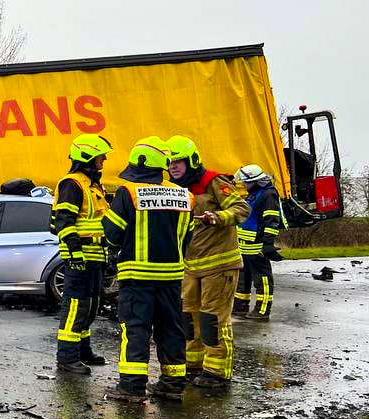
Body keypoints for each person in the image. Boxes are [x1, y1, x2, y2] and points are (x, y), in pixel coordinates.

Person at [102, 136, 191, 402]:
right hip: (172, 276)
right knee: (171, 328)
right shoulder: (184, 195)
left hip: (137, 276)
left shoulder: (128, 192)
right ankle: (173, 383)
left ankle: (132, 387)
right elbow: (188, 236)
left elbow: (112, 234)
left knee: (136, 329)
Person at [165, 136, 249, 388]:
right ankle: (193, 365)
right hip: (191, 266)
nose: (173, 167)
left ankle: (217, 372)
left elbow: (241, 209)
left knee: (213, 319)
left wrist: (219, 217)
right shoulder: (176, 190)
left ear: (191, 161)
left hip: (220, 265)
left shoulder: (214, 181)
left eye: (178, 162)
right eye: (169, 163)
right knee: (189, 319)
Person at [49, 133, 114, 374]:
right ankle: (67, 357)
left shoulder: (93, 185)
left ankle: (83, 349)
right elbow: (63, 221)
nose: (104, 159)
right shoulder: (72, 184)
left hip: (95, 255)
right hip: (80, 256)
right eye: (101, 156)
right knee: (76, 305)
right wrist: (75, 253)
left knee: (91, 304)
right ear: (88, 156)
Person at [234, 164, 285, 321]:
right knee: (243, 278)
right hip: (245, 246)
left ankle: (262, 311)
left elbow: (271, 221)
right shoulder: (254, 194)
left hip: (257, 247)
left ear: (256, 181)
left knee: (262, 279)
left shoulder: (268, 195)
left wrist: (267, 244)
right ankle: (240, 307)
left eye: (247, 182)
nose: (245, 185)